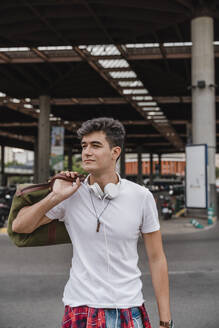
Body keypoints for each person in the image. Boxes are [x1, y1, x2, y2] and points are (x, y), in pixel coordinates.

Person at [12, 117, 173, 328]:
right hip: (81, 306)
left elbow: (157, 258)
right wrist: (55, 196)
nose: (86, 152)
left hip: (128, 306)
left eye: (95, 145)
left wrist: (165, 320)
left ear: (115, 152)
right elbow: (19, 227)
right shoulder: (70, 194)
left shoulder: (141, 197)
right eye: (84, 146)